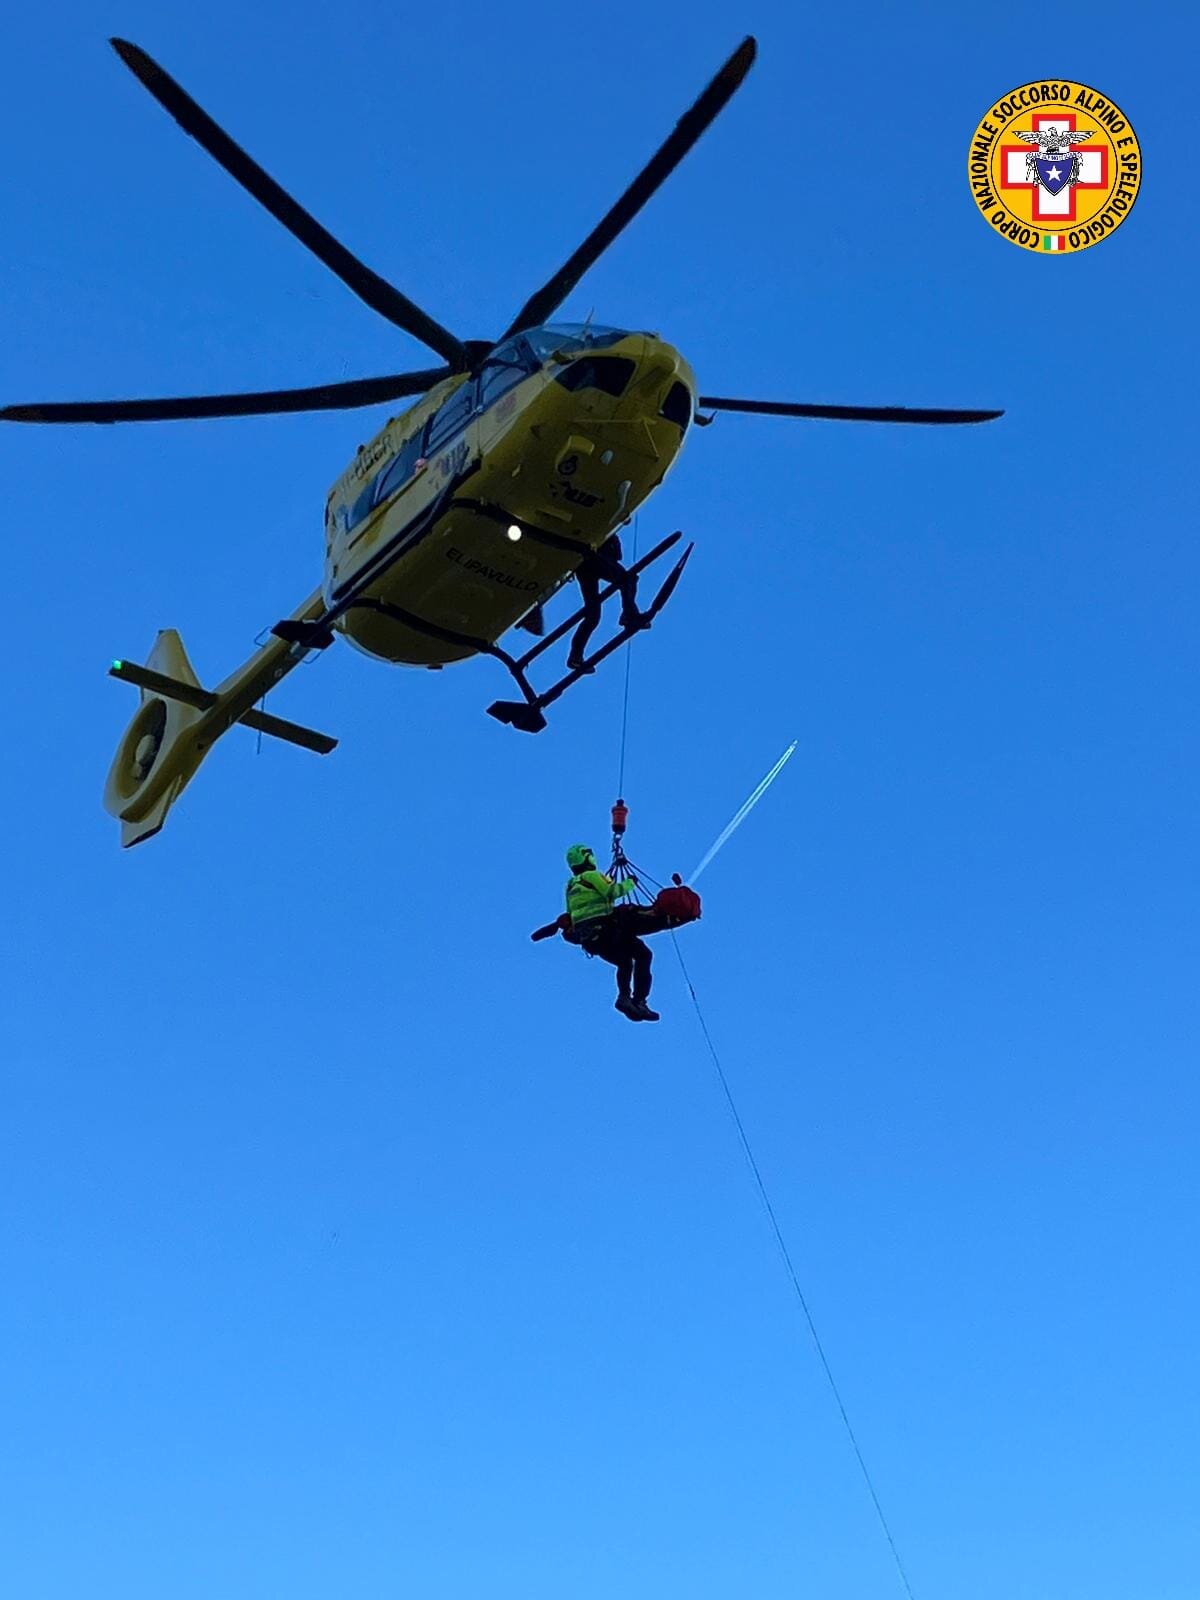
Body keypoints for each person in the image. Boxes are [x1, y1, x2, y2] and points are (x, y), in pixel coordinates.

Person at [564, 844, 659, 1021]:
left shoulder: (570, 886)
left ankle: (624, 997)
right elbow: (612, 892)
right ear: (587, 858)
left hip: (591, 940)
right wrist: (631, 882)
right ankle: (639, 1001)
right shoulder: (593, 876)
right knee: (643, 955)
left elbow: (571, 914)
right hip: (608, 931)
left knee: (624, 962)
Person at [566, 533, 644, 673]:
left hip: (586, 562)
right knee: (628, 579)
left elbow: (617, 556)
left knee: (593, 615)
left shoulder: (609, 537)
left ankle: (575, 656)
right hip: (592, 559)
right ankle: (629, 614)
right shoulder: (606, 536)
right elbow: (617, 556)